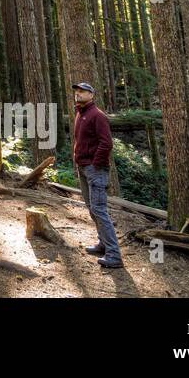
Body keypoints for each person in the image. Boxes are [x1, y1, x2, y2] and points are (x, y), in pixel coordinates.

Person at [72, 82, 122, 269]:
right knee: (92, 209)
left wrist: (95, 164)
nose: (78, 93)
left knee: (99, 210)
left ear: (92, 95)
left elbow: (106, 143)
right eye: (77, 91)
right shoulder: (80, 113)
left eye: (83, 91)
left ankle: (114, 255)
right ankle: (103, 244)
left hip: (95, 170)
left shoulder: (97, 115)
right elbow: (79, 141)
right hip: (83, 167)